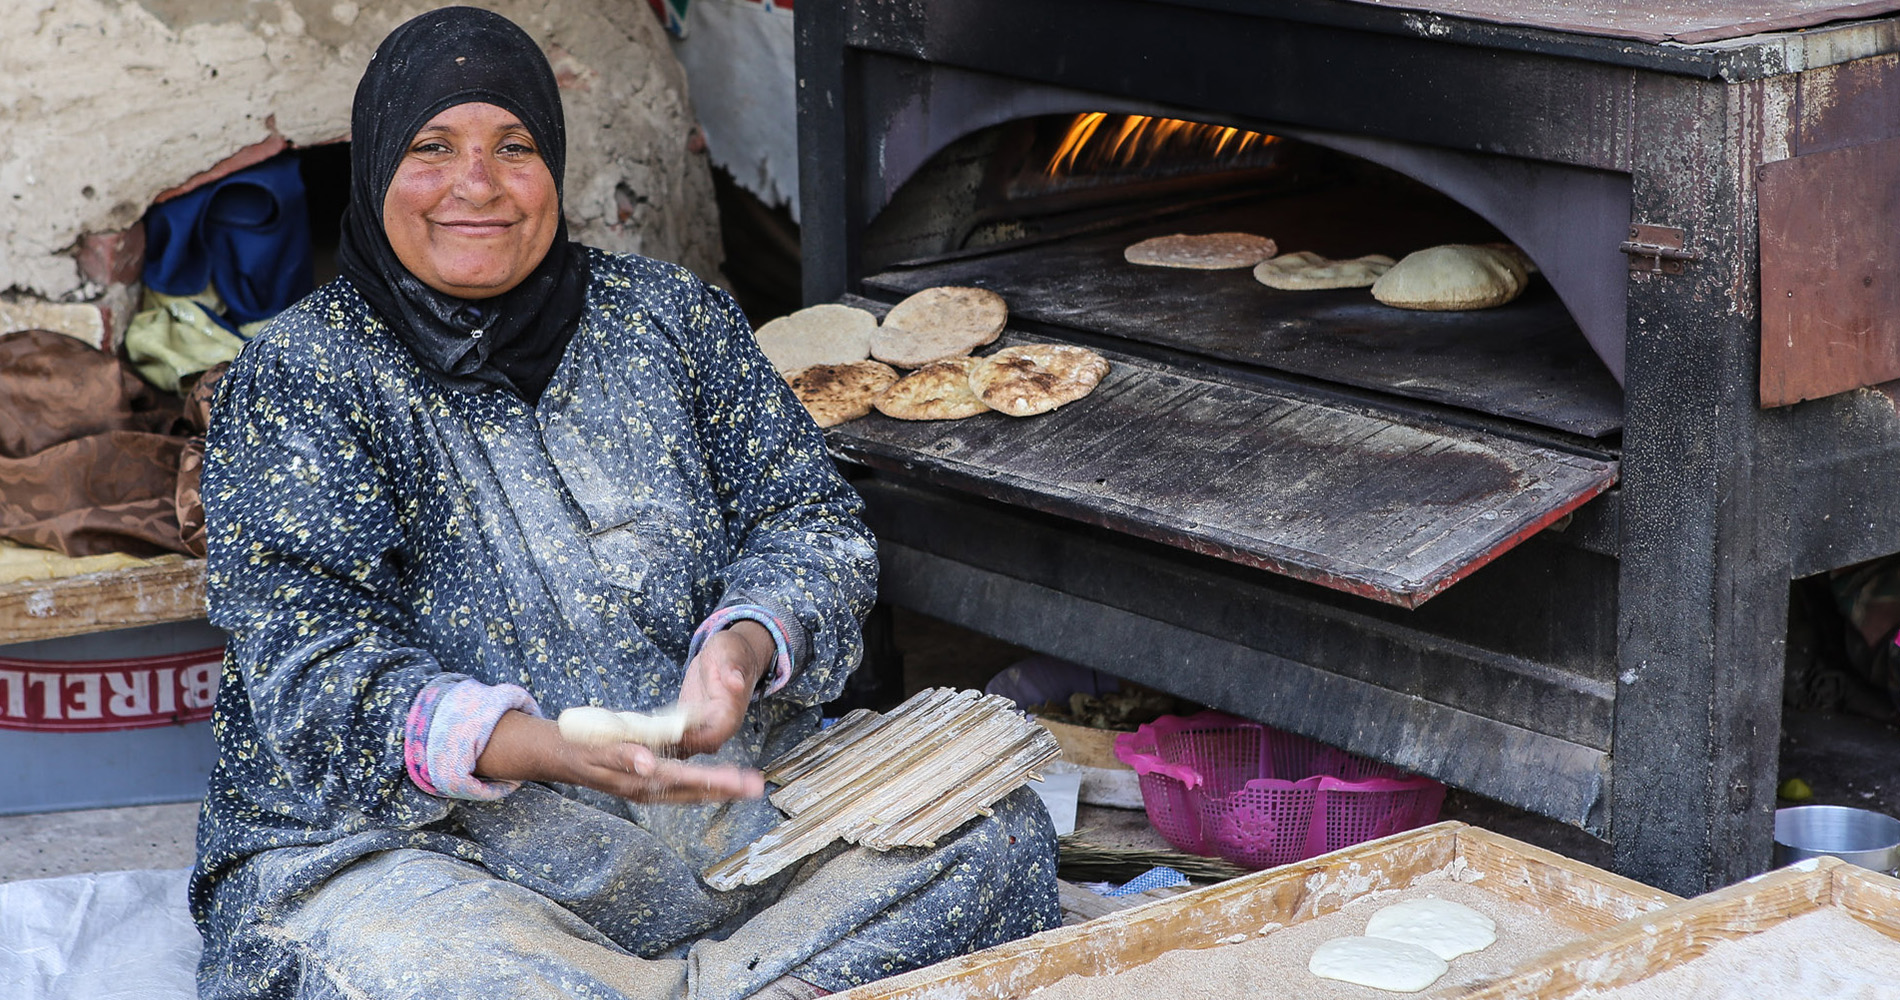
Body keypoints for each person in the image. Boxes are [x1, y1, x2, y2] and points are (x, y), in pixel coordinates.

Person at [187, 8, 1058, 999]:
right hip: (435, 858)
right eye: (433, 148)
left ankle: (706, 981)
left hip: (709, 820)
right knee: (444, 977)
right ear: (379, 163)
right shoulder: (304, 376)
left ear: (553, 164)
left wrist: (745, 648)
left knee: (992, 834)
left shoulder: (669, 318)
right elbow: (311, 670)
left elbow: (805, 520)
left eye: (512, 147)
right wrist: (543, 749)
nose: (476, 183)